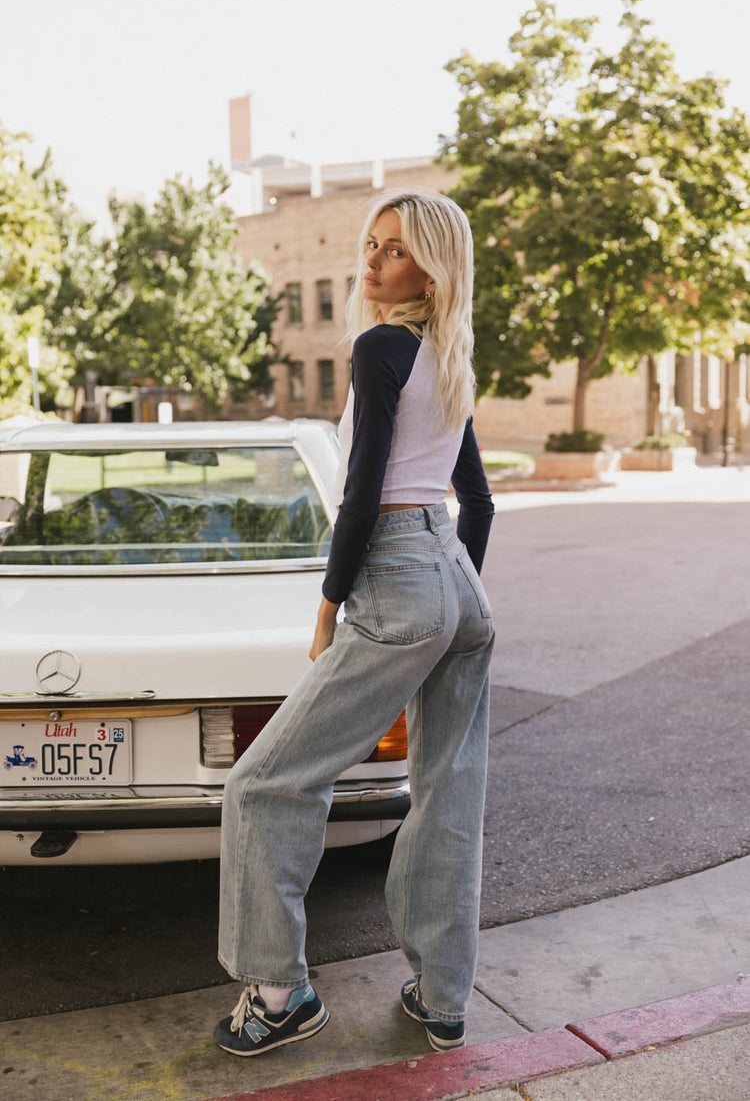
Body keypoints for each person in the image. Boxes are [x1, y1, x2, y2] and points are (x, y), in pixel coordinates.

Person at [214, 189, 495, 1058]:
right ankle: (443, 999)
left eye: (395, 252)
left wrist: (332, 606)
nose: (372, 264)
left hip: (399, 576)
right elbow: (477, 504)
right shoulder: (450, 353)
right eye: (370, 246)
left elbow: (365, 489)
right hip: (453, 579)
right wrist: (449, 604)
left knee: (263, 784)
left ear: (432, 267)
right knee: (448, 791)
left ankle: (279, 993)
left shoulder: (381, 347)